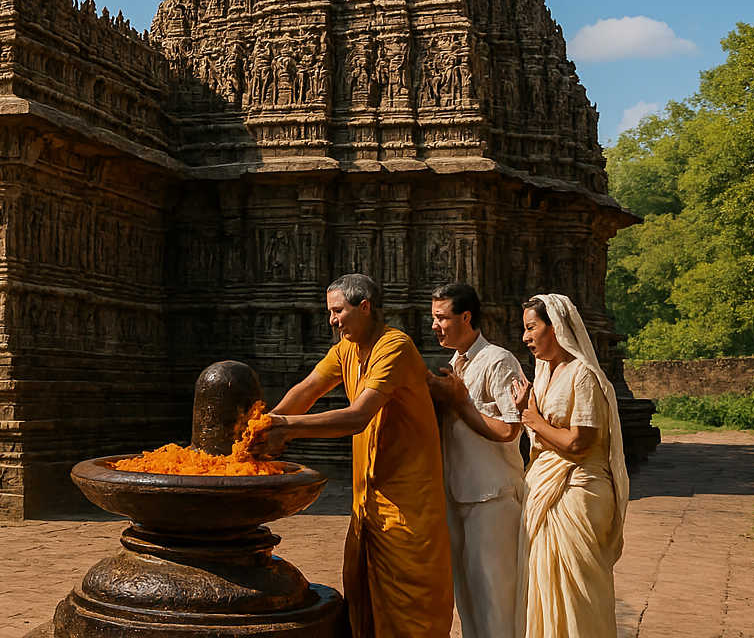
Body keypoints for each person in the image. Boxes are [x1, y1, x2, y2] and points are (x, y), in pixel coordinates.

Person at [254, 273, 452, 638]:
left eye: (337, 311)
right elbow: (308, 388)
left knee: (410, 610)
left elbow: (360, 416)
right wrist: (263, 425)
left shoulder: (394, 346)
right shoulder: (346, 348)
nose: (331, 320)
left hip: (407, 503)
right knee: (362, 598)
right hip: (368, 497)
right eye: (329, 312)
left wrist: (286, 427)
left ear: (365, 307)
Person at [510, 293, 628, 638]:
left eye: (532, 328)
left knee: (579, 592)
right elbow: (548, 436)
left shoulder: (583, 376)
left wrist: (531, 419)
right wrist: (528, 413)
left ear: (556, 328)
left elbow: (580, 443)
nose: (526, 337)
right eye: (525, 329)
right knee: (542, 582)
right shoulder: (544, 374)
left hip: (580, 490)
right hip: (547, 484)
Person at [425, 282, 528, 638]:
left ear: (465, 317)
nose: (435, 325)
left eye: (441, 318)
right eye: (433, 317)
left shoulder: (498, 360)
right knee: (467, 598)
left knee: (494, 597)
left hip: (492, 497)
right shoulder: (455, 365)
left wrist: (461, 402)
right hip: (457, 493)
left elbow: (509, 429)